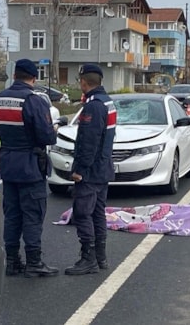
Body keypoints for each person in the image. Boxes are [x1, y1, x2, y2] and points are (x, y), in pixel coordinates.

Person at [0, 59, 59, 277]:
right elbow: (47, 136)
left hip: (7, 165)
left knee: (12, 215)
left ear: (14, 75)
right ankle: (34, 262)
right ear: (33, 78)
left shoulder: (0, 99)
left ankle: (12, 261)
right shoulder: (34, 101)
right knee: (32, 214)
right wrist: (54, 129)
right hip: (30, 167)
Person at [65, 64, 117, 276]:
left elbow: (88, 142)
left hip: (91, 170)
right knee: (97, 213)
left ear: (84, 82)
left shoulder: (93, 106)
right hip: (103, 168)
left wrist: (79, 169)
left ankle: (88, 258)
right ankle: (100, 257)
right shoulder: (107, 102)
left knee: (82, 212)